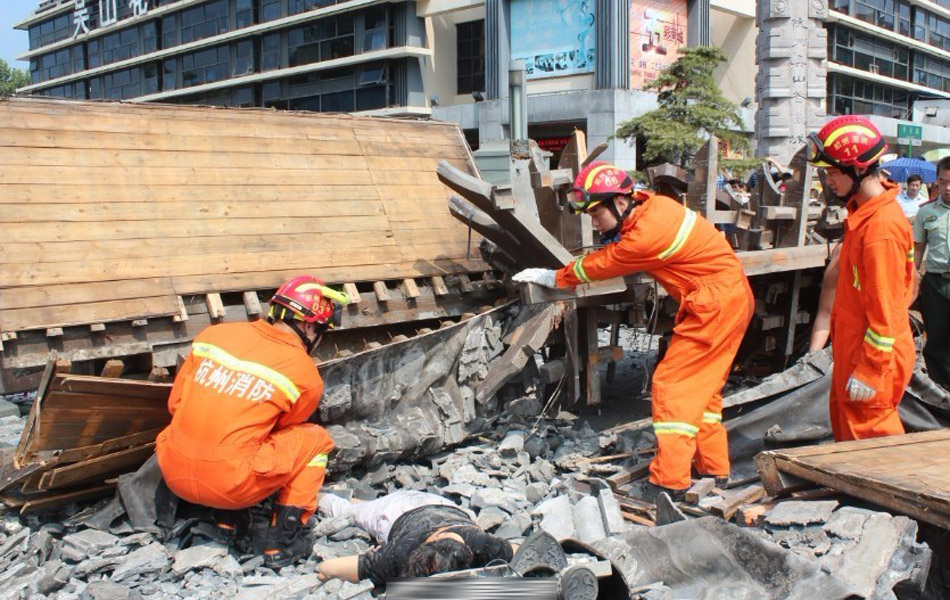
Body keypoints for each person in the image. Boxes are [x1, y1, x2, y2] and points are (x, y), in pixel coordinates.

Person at [512, 162, 754, 501]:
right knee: (704, 391)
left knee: (673, 387)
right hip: (728, 297)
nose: (594, 222)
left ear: (621, 203)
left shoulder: (645, 236)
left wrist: (555, 277)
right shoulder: (656, 208)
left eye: (596, 213)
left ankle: (669, 482)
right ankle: (714, 468)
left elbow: (606, 262)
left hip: (712, 304)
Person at [155, 275, 348, 567]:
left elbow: (176, 404)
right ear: (309, 325)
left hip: (172, 470)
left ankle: (226, 522)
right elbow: (281, 430)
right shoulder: (305, 374)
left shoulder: (212, 336)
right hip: (232, 486)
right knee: (315, 440)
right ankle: (282, 542)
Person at [806, 115, 915, 441]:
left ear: (858, 168)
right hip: (857, 351)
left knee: (873, 459)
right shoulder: (864, 216)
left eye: (833, 172)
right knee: (851, 448)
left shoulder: (880, 228)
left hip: (872, 359)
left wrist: (870, 369)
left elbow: (887, 310)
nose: (828, 181)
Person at [317, 491, 514, 589]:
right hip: (395, 509)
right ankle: (321, 495)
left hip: (440, 503)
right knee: (346, 511)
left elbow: (526, 551)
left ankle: (360, 501)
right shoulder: (401, 553)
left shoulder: (484, 546)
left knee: (361, 508)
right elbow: (328, 568)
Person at [913, 157, 950, 391]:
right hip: (936, 284)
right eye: (943, 181)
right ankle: (942, 389)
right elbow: (917, 249)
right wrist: (912, 277)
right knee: (936, 338)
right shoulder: (926, 212)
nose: (948, 188)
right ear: (936, 182)